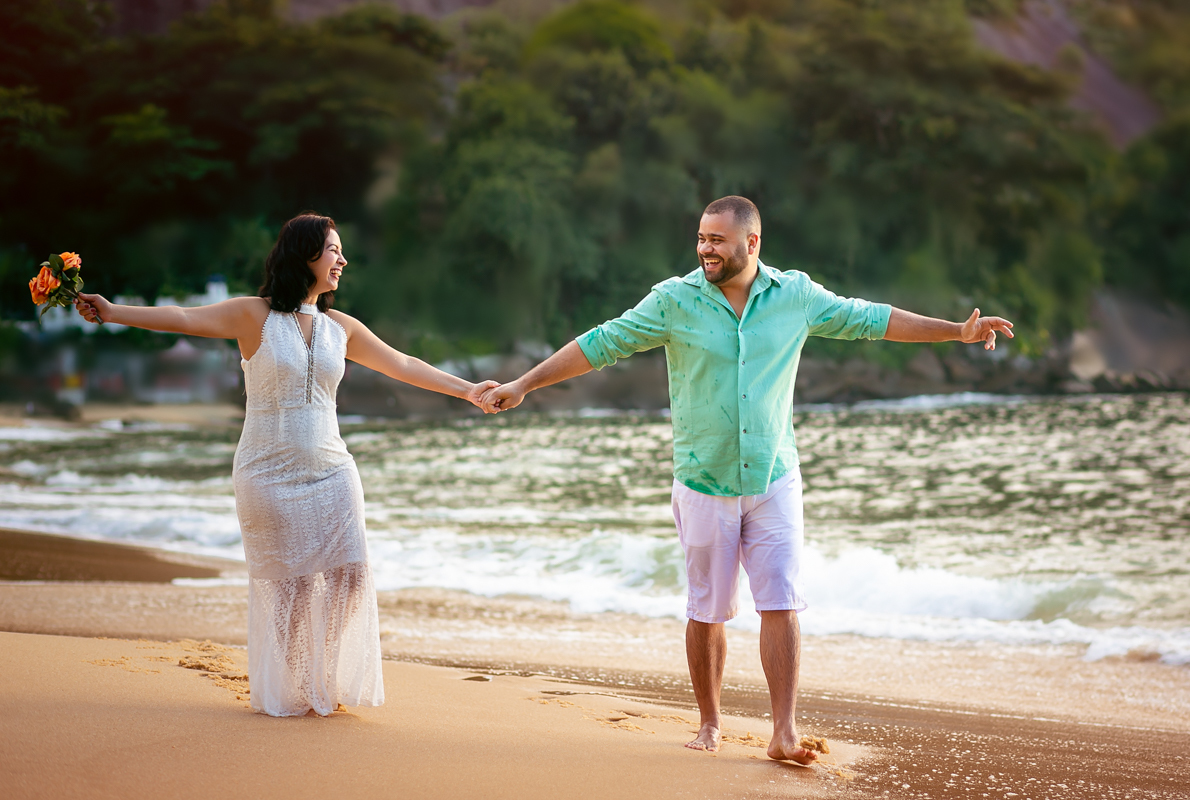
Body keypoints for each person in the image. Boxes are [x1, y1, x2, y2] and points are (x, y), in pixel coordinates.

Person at [479, 196, 1014, 763]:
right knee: (707, 608)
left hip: (774, 476)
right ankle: (710, 723)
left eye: (717, 239)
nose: (705, 248)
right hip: (703, 478)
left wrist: (956, 331)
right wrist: (524, 385)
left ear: (751, 243)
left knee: (780, 600)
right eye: (701, 238)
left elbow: (873, 320)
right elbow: (600, 343)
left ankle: (783, 731)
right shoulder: (673, 300)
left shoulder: (797, 297)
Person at [74, 213, 498, 717]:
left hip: (333, 469)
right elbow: (184, 318)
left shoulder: (340, 328)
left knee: (351, 576)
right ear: (304, 255)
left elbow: (403, 364)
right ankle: (297, 679)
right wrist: (112, 311)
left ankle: (323, 670)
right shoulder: (253, 316)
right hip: (266, 471)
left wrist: (469, 390)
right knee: (290, 587)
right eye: (332, 250)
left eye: (341, 251)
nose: (342, 260)